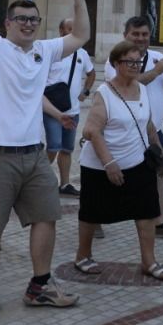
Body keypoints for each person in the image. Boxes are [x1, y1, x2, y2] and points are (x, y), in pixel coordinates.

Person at [0, 0, 90, 314]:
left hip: (34, 154)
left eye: (33, 19)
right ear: (8, 23)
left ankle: (40, 285)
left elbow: (80, 37)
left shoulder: (43, 51)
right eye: (21, 19)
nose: (29, 24)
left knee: (47, 216)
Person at [74, 39, 163, 280]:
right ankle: (83, 255)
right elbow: (91, 130)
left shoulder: (142, 89)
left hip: (138, 162)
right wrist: (109, 163)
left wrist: (159, 152)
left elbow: (148, 125)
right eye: (130, 61)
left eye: (138, 61)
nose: (136, 65)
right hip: (101, 165)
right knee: (91, 212)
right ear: (116, 64)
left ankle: (149, 261)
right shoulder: (104, 93)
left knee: (147, 212)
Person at [103, 16, 163, 237]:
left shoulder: (158, 57)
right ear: (125, 35)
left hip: (153, 130)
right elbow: (131, 83)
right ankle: (94, 219)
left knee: (159, 173)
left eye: (144, 34)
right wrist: (159, 69)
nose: (140, 39)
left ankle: (160, 223)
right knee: (112, 177)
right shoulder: (116, 60)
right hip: (121, 131)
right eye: (135, 34)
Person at [46, 18, 95, 197]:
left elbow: (91, 73)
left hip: (72, 110)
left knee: (67, 149)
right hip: (52, 110)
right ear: (60, 31)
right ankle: (34, 182)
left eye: (75, 29)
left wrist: (86, 91)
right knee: (53, 147)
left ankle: (65, 184)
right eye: (69, 29)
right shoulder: (51, 52)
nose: (73, 33)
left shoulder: (81, 53)